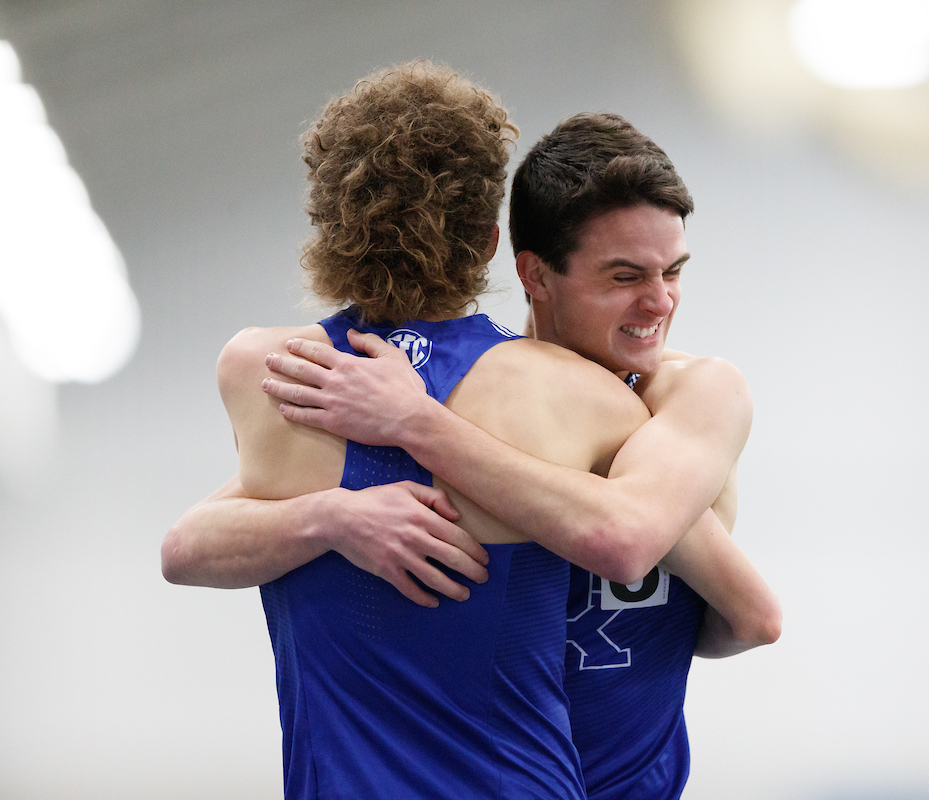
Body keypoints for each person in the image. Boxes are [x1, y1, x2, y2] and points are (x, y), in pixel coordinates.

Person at [162, 64, 777, 798]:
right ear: (506, 256)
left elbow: (673, 564)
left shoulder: (282, 377)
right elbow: (184, 546)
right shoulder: (599, 405)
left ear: (330, 224)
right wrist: (335, 515)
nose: (659, 299)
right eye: (623, 276)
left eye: (672, 271)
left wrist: (411, 425)